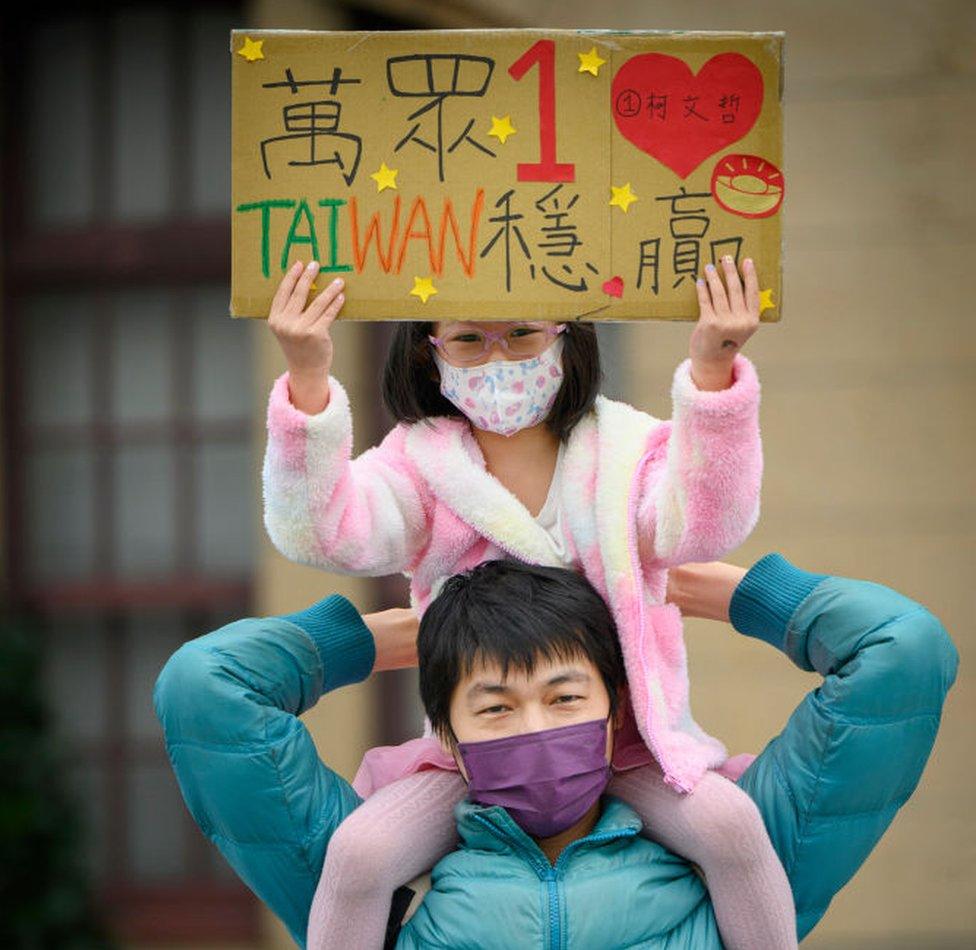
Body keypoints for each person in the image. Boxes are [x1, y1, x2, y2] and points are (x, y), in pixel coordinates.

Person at [262, 256, 793, 949]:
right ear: (429, 351)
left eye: (521, 334)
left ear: (566, 336)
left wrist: (712, 372)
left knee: (731, 827)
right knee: (361, 853)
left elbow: (704, 522)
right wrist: (307, 378)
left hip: (623, 743)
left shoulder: (628, 449)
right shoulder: (419, 465)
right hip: (479, 752)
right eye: (467, 340)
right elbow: (324, 531)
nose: (497, 357)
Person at [154, 553, 957, 948]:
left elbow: (903, 650)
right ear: (447, 737)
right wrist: (416, 635)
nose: (537, 727)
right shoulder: (386, 893)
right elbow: (208, 688)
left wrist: (677, 587)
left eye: (567, 697)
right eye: (495, 705)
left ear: (618, 713)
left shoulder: (744, 852)